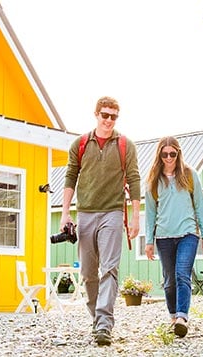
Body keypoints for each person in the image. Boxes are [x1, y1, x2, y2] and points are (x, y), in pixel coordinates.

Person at [60, 96, 141, 346]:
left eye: (113, 116)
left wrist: (135, 216)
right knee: (87, 272)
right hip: (85, 212)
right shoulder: (81, 143)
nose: (108, 120)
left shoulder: (125, 144)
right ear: (96, 114)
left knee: (110, 268)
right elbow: (71, 175)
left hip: (113, 212)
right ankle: (98, 319)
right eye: (104, 115)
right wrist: (65, 212)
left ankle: (105, 323)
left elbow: (135, 179)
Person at [144, 136, 203, 338]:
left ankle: (182, 317)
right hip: (164, 236)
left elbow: (200, 206)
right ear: (159, 155)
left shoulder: (191, 175)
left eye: (172, 154)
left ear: (178, 153)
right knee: (169, 280)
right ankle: (173, 317)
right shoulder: (153, 180)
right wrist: (149, 241)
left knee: (182, 274)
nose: (169, 158)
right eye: (164, 154)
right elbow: (150, 213)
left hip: (188, 233)